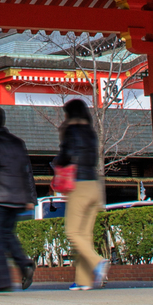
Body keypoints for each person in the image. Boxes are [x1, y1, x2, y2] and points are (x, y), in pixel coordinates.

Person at [0, 106, 37, 291]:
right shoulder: (17, 142)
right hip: (17, 197)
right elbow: (26, 169)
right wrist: (30, 197)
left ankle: (4, 283)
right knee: (7, 234)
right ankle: (24, 264)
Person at [55, 98, 106, 289]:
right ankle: (84, 281)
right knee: (85, 235)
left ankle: (97, 262)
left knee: (72, 232)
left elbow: (66, 155)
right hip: (95, 185)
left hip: (80, 184)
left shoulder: (71, 130)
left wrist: (57, 164)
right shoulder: (91, 132)